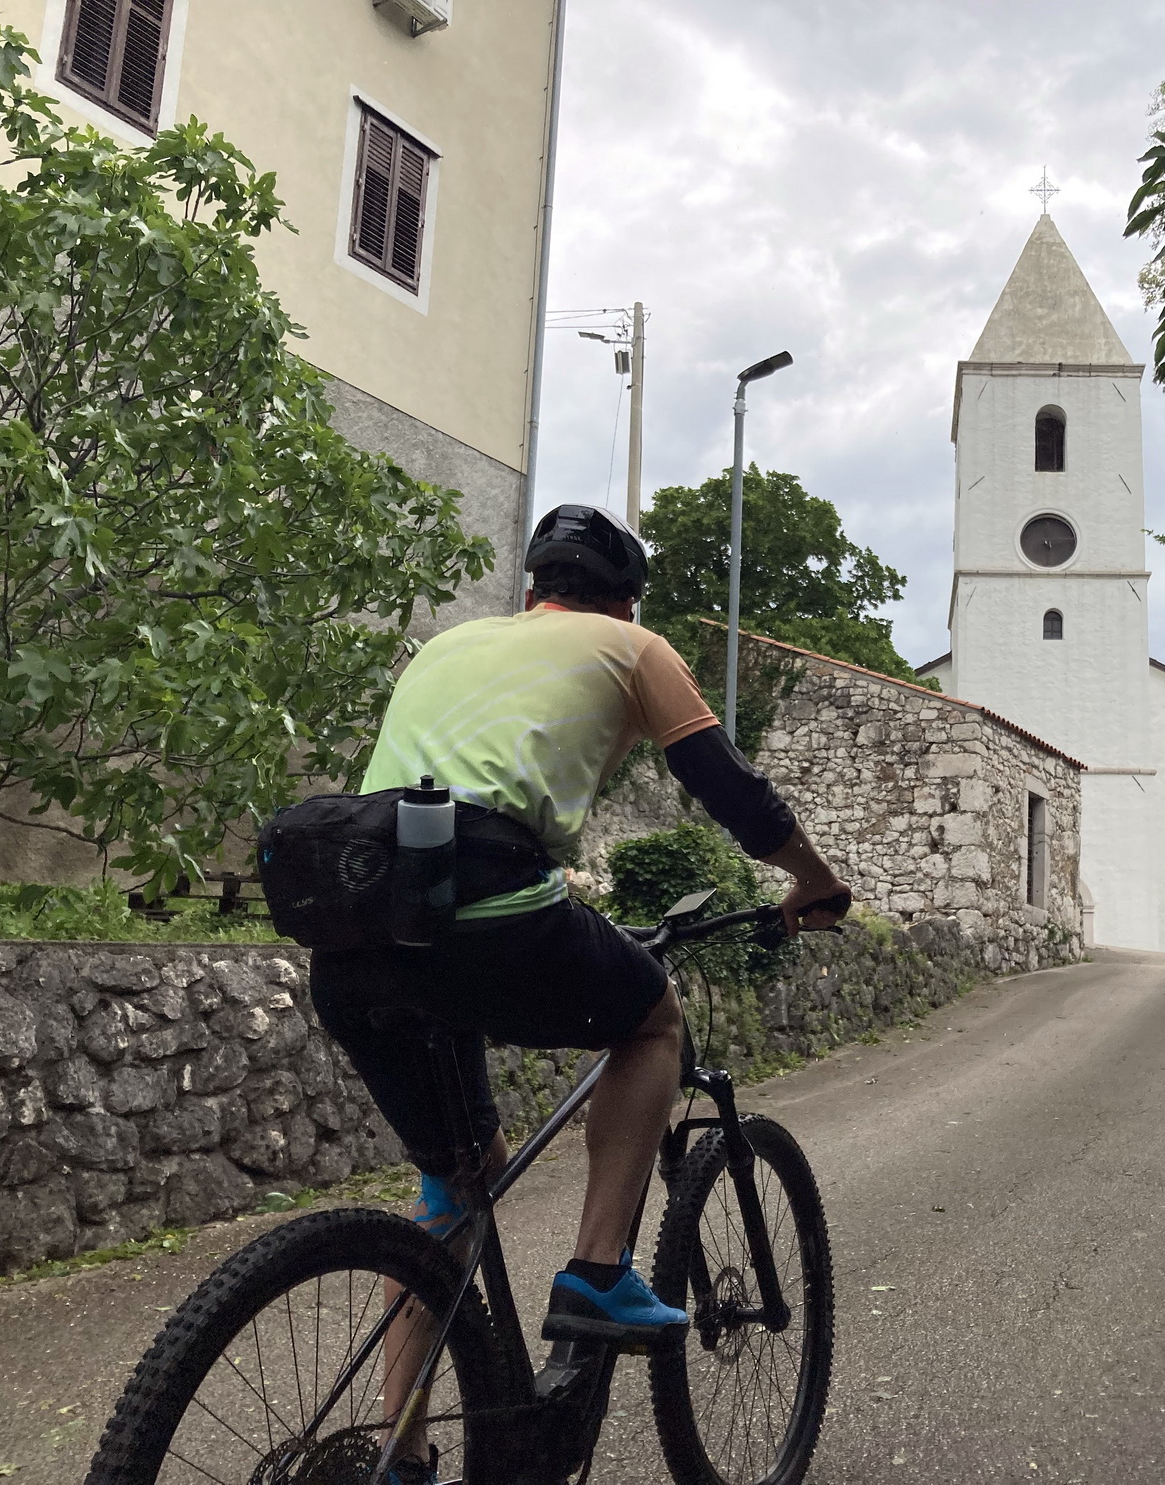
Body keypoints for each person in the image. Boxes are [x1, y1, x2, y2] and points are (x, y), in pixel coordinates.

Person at [308, 503, 851, 1483]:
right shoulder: (635, 648)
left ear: (530, 595)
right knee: (650, 1023)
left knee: (457, 1187)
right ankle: (597, 1274)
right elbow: (733, 792)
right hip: (489, 905)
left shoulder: (452, 643)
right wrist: (811, 881)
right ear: (626, 598)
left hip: (357, 935)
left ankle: (402, 1456)